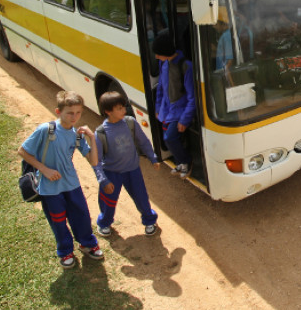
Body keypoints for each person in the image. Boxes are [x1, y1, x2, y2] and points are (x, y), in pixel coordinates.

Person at [18, 91, 103, 269]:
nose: (74, 117)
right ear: (58, 112)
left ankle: (87, 243)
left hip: (72, 184)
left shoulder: (77, 135)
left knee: (81, 215)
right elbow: (23, 151)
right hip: (49, 187)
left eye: (78, 113)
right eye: (70, 113)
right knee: (58, 221)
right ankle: (65, 251)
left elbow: (94, 161)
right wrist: (45, 170)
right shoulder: (46, 130)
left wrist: (92, 138)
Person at [93, 91, 162, 237]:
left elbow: (143, 141)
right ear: (108, 111)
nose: (124, 110)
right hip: (111, 173)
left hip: (133, 170)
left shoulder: (130, 123)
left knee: (141, 197)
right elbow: (96, 160)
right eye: (119, 108)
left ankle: (149, 220)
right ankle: (104, 223)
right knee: (108, 201)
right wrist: (103, 180)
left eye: (124, 107)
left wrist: (153, 157)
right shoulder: (100, 133)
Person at [153, 33, 195, 178]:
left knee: (169, 138)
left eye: (158, 54)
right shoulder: (163, 63)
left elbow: (192, 97)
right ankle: (181, 162)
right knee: (169, 138)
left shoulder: (186, 67)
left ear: (166, 52)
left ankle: (187, 161)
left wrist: (185, 119)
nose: (156, 57)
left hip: (180, 112)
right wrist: (158, 107)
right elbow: (160, 88)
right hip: (166, 110)